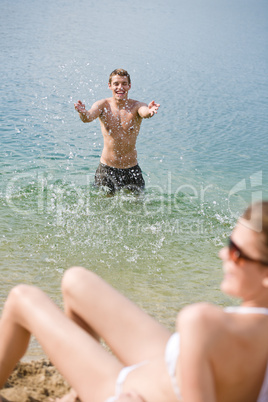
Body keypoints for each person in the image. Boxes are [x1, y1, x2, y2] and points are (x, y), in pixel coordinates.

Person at [1, 201, 268, 402]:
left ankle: (89, 389)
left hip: (130, 390)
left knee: (22, 298)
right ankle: (78, 392)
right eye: (228, 243)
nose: (223, 253)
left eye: (237, 252)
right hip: (167, 366)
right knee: (76, 280)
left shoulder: (202, 322)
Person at [74, 69, 160, 194]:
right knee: (103, 208)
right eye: (116, 84)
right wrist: (82, 113)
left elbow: (144, 112)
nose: (120, 87)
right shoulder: (103, 105)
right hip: (106, 169)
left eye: (124, 83)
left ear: (129, 86)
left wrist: (150, 111)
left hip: (131, 169)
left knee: (139, 208)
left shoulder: (136, 106)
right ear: (110, 86)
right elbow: (88, 117)